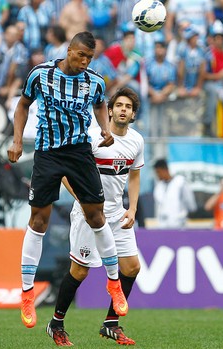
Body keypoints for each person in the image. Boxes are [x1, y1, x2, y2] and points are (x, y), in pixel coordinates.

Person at [7, 32, 128, 338]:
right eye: (80, 55)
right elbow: (22, 106)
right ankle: (26, 294)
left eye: (89, 57)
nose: (84, 61)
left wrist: (103, 129)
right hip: (48, 153)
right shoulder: (41, 74)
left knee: (97, 216)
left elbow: (101, 105)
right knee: (38, 220)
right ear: (69, 50)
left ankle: (114, 284)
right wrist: (18, 140)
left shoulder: (95, 81)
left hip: (78, 152)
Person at [53, 87, 144, 346]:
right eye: (119, 105)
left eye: (128, 106)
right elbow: (65, 173)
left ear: (133, 113)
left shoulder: (137, 141)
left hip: (117, 214)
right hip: (88, 214)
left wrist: (133, 208)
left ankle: (111, 324)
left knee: (132, 267)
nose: (123, 109)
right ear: (110, 110)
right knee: (79, 272)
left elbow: (135, 175)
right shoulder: (92, 137)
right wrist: (83, 201)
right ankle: (56, 322)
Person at [153, 158, 197, 229]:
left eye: (159, 172)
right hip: (162, 226)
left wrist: (183, 215)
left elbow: (191, 205)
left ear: (165, 170)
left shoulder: (180, 182)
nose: (158, 175)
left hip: (179, 225)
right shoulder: (158, 187)